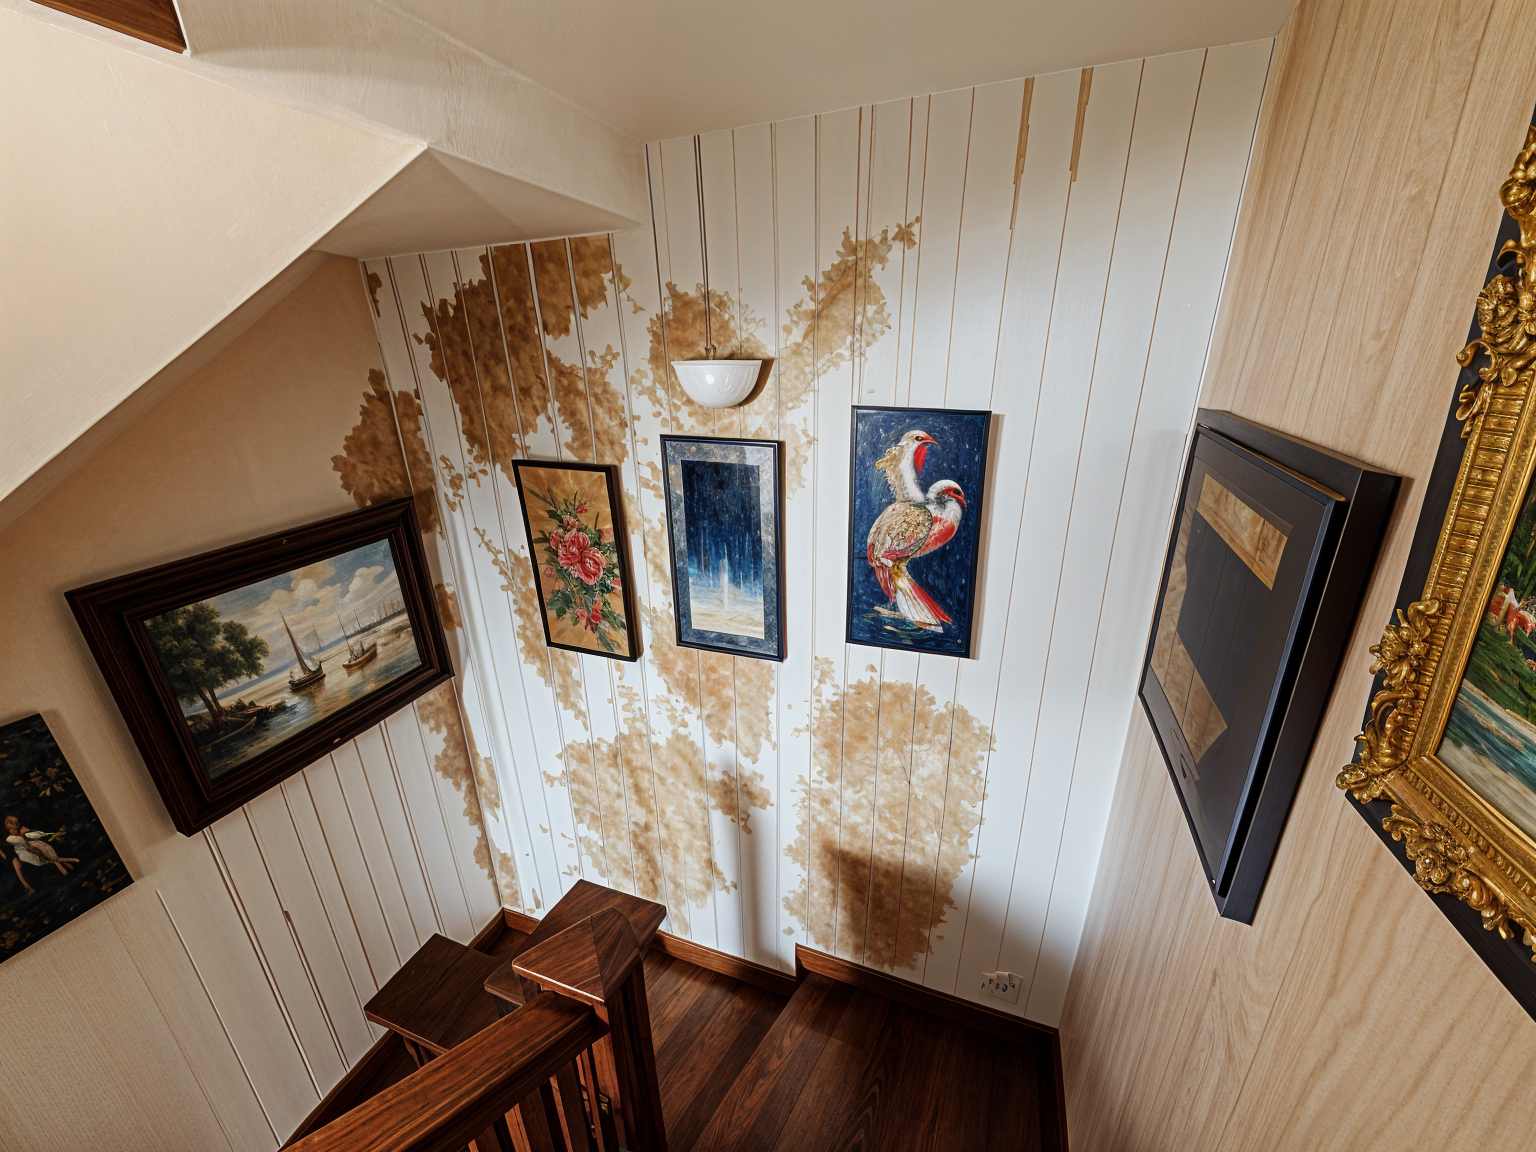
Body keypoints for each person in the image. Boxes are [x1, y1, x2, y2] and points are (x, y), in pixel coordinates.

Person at [4, 815, 78, 892]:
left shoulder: (23, 830)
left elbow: (34, 838)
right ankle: (69, 875)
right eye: (10, 828)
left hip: (38, 848)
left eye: (13, 826)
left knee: (55, 859)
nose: (12, 830)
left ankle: (69, 874)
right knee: (54, 860)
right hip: (31, 853)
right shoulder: (12, 838)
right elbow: (22, 845)